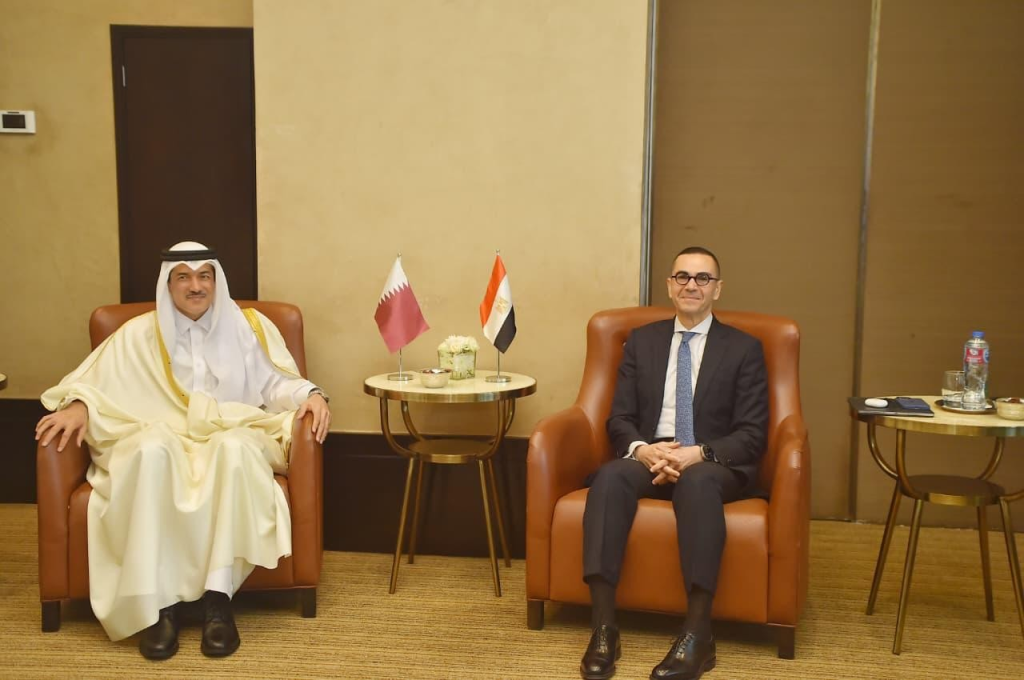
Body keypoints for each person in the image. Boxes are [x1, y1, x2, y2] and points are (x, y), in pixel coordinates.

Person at [34, 241, 331, 660]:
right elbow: (96, 381)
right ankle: (160, 607)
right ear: (168, 284)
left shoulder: (249, 327)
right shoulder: (138, 333)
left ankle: (218, 600)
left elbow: (277, 383)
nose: (196, 286)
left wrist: (312, 395)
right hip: (161, 434)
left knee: (234, 449)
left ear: (215, 281)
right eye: (184, 277)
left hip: (228, 430)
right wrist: (80, 407)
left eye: (204, 276)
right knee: (150, 451)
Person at [579, 246, 768, 680]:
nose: (691, 285)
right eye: (682, 276)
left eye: (702, 278)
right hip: (652, 454)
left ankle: (697, 635)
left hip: (710, 460)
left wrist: (696, 453)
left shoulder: (743, 349)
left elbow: (752, 433)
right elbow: (619, 417)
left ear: (717, 289)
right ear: (669, 285)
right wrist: (643, 449)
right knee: (609, 478)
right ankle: (604, 628)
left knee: (697, 484)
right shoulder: (642, 341)